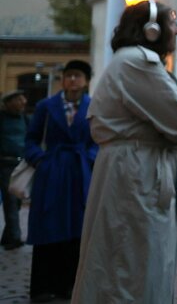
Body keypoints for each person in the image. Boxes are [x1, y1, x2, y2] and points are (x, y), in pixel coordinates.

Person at [72, 0, 177, 303]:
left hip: (134, 166)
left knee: (129, 259)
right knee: (131, 265)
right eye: (172, 23)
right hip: (137, 171)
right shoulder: (137, 61)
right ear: (151, 30)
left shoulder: (130, 60)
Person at [25, 60, 97, 302]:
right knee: (47, 224)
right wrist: (39, 160)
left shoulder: (93, 107)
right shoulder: (46, 106)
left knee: (77, 228)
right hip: (52, 172)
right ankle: (43, 287)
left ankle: (70, 286)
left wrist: (89, 159)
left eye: (77, 76)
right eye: (69, 76)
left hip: (80, 173)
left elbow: (98, 140)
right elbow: (32, 138)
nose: (72, 80)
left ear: (86, 81)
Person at [0, 89, 28, 251]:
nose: (23, 102)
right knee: (10, 200)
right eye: (19, 100)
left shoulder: (25, 118)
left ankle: (7, 236)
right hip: (5, 164)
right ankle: (15, 237)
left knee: (17, 201)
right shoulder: (2, 118)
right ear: (8, 103)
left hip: (21, 165)